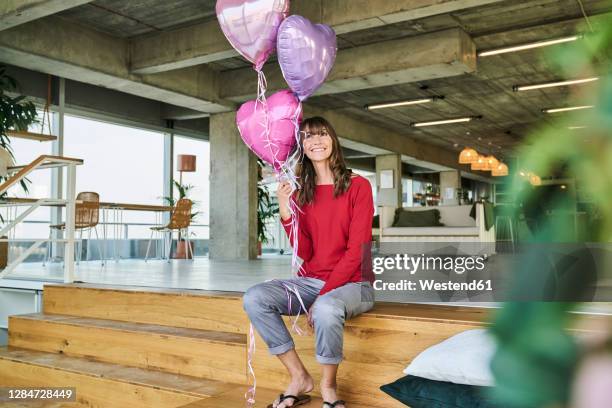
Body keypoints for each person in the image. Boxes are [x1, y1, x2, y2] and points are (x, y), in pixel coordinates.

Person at [243, 116, 375, 408]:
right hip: (313, 280)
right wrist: (285, 208)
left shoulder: (358, 186)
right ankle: (299, 377)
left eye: (322, 134)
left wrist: (325, 293)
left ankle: (329, 387)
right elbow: (303, 247)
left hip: (356, 282)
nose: (316, 141)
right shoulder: (304, 190)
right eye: (308, 137)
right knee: (255, 298)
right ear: (302, 146)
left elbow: (357, 252)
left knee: (327, 308)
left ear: (333, 140)